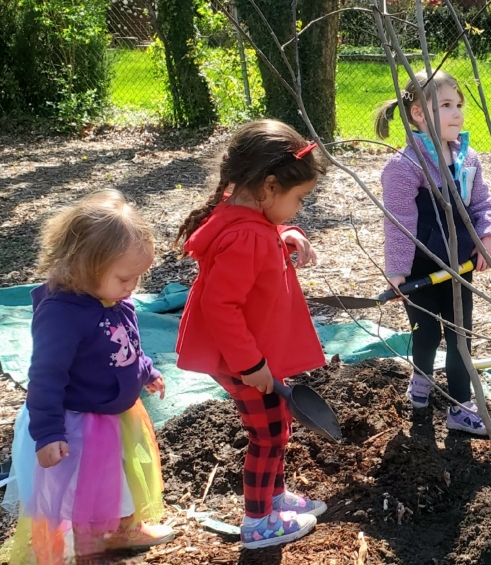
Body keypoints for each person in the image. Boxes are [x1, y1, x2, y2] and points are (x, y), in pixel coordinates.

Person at [174, 120, 327, 549]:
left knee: (277, 423)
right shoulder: (246, 236)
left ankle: (273, 498)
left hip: (248, 352)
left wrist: (286, 233)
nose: (299, 208)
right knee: (268, 434)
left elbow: (261, 228)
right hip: (241, 357)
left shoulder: (244, 214)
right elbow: (220, 307)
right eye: (298, 200)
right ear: (269, 186)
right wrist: (251, 364)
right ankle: (259, 522)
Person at [2, 190, 173, 564]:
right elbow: (45, 377)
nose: (133, 287)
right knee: (87, 493)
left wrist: (146, 370)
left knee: (123, 476)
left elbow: (127, 344)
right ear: (84, 266)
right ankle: (91, 549)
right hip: (77, 425)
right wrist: (48, 433)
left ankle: (124, 527)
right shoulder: (61, 314)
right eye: (125, 277)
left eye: (138, 277)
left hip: (115, 416)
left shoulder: (114, 297)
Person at [376, 70, 491, 436]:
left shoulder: (468, 159)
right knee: (427, 332)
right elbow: (399, 222)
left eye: (458, 104)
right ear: (418, 113)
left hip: (460, 266)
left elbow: (483, 204)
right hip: (421, 269)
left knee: (461, 336)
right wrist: (397, 270)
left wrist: (488, 236)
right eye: (446, 105)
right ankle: (421, 377)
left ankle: (460, 407)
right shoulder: (404, 167)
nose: (457, 112)